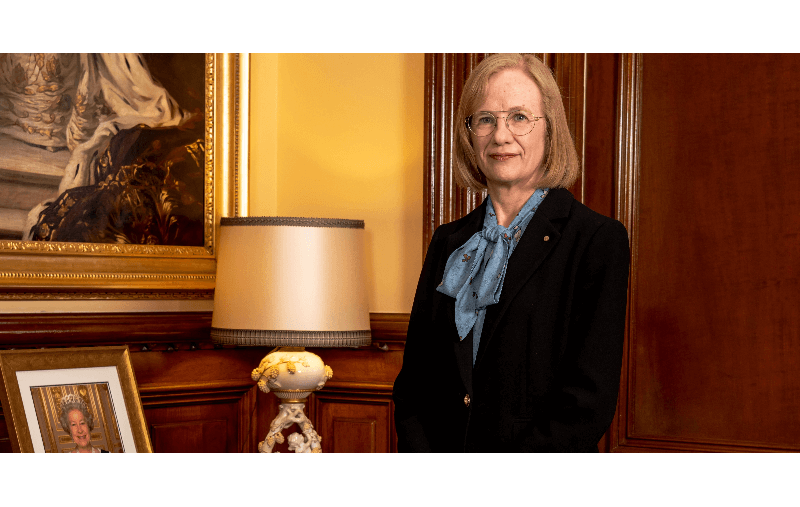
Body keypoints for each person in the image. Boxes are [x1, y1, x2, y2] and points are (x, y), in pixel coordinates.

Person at [392, 53, 630, 453]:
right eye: (486, 119)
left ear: (550, 129)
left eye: (519, 117)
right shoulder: (448, 241)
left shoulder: (596, 240)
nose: (501, 136)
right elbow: (413, 387)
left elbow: (587, 401)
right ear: (470, 134)